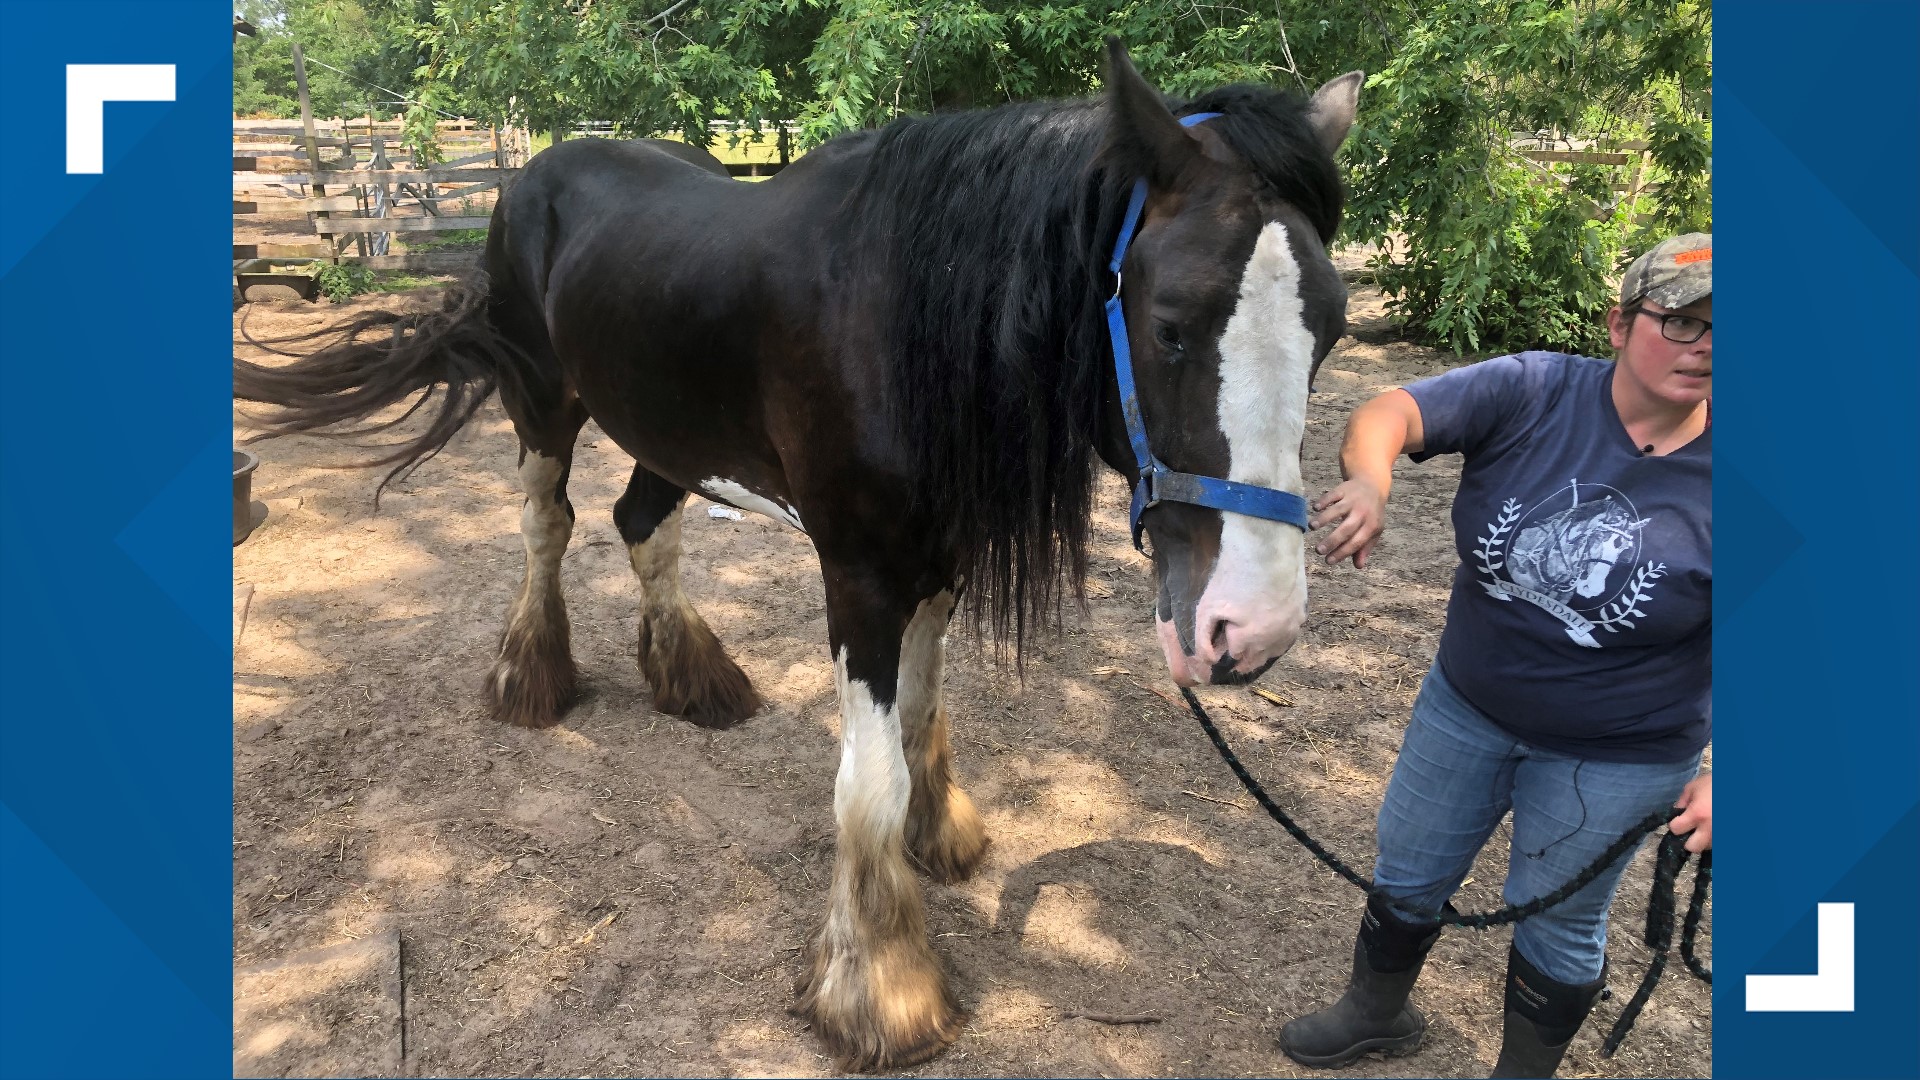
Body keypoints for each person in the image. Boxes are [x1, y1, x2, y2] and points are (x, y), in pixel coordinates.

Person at [1280, 234, 1715, 1078]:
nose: (1704, 348)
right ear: (1620, 323)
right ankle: (1375, 1013)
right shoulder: (1537, 389)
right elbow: (1387, 413)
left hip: (1622, 752)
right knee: (1409, 866)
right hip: (1467, 706)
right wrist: (1370, 480)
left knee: (1559, 920)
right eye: (1682, 322)